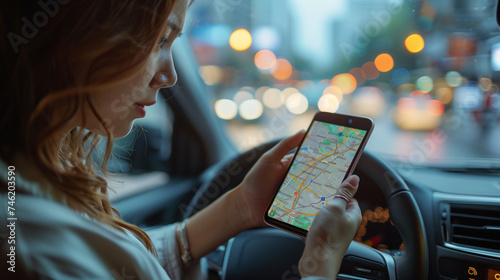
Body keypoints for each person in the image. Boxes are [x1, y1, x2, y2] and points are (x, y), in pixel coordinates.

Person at [0, 0, 362, 279]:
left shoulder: (29, 179)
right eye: (159, 40)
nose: (170, 75)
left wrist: (241, 207)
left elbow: (117, 265)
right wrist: (321, 262)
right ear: (83, 35)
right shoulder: (32, 240)